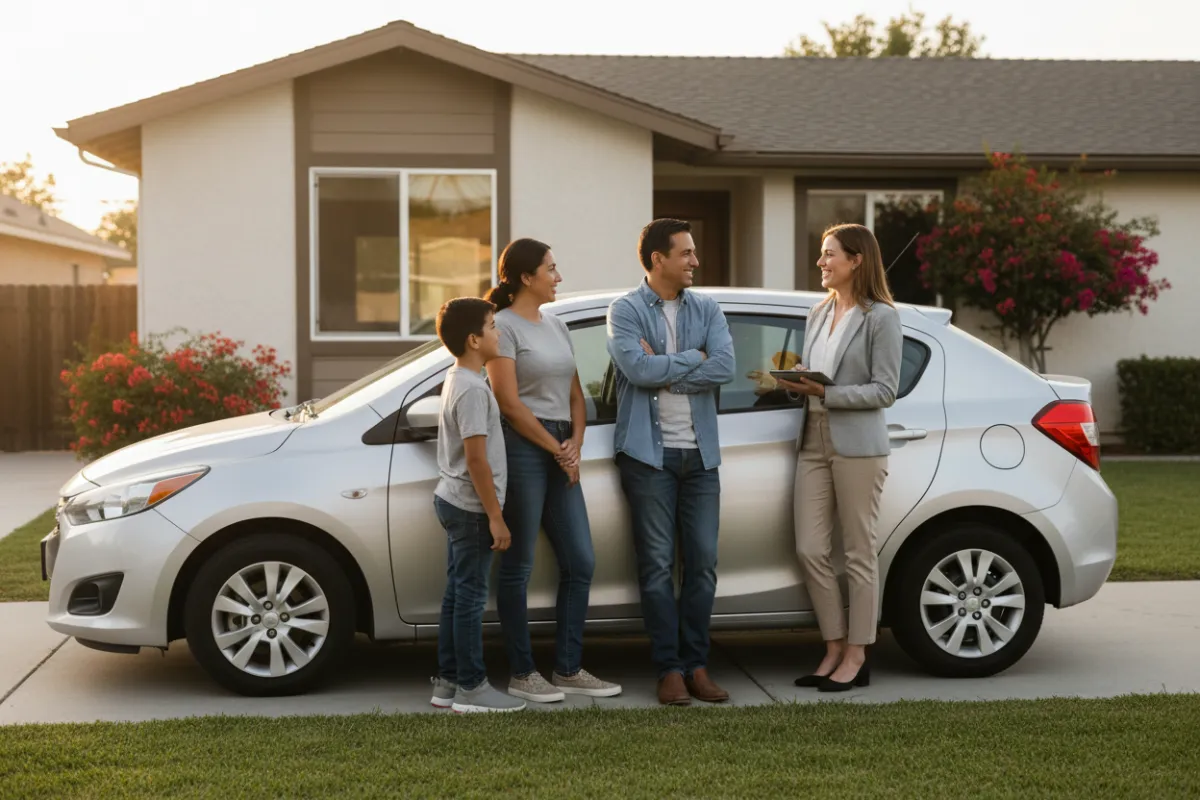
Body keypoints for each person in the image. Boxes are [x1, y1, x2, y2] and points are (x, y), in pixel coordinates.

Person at [485, 238, 622, 703]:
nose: (558, 277)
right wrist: (555, 448)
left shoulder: (557, 324)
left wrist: (575, 444)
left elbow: (575, 393)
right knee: (518, 564)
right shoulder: (502, 327)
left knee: (581, 560)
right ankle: (523, 673)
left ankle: (567, 668)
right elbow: (508, 403)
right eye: (551, 269)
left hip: (562, 439)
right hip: (523, 446)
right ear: (527, 277)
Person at [605, 218, 735, 706]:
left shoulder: (707, 308)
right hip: (648, 458)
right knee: (657, 566)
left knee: (702, 564)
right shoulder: (625, 309)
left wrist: (666, 370)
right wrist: (692, 358)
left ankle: (697, 665)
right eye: (686, 253)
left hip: (701, 457)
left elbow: (723, 365)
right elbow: (635, 369)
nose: (695, 262)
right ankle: (669, 670)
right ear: (658, 259)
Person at [776, 223, 903, 693]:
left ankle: (857, 653)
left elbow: (885, 390)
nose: (821, 263)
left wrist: (826, 393)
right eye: (822, 254)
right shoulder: (816, 313)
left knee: (857, 552)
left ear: (857, 261)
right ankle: (832, 645)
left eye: (829, 255)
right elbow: (818, 379)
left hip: (857, 445)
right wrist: (796, 386)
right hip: (813, 439)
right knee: (810, 549)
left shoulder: (881, 317)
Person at [429, 297, 526, 713]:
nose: (498, 332)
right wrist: (495, 517)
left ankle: (448, 681)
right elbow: (475, 459)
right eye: (491, 326)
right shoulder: (470, 389)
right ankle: (472, 687)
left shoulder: (460, 378)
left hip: (455, 501)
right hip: (470, 508)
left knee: (457, 594)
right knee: (470, 598)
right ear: (473, 340)